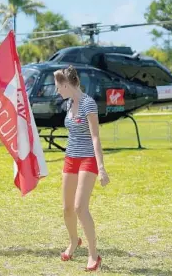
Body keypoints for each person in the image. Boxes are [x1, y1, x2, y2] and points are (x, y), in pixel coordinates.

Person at [53, 65, 110, 271]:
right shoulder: (68, 103)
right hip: (70, 159)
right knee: (66, 208)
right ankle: (73, 241)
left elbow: (95, 137)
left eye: (58, 87)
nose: (57, 90)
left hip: (87, 160)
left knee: (79, 207)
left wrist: (101, 168)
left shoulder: (88, 104)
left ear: (67, 85)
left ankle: (94, 255)